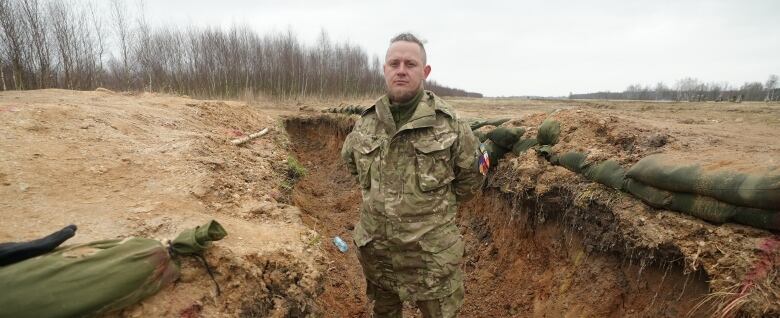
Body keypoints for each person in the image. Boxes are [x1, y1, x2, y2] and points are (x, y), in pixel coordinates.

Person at [340, 33, 486, 318]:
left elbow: (471, 180)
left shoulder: (450, 125)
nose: (401, 70)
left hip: (431, 260)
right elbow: (352, 164)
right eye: (394, 63)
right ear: (384, 70)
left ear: (425, 71)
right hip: (378, 256)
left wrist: (430, 215)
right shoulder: (366, 123)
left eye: (410, 63)